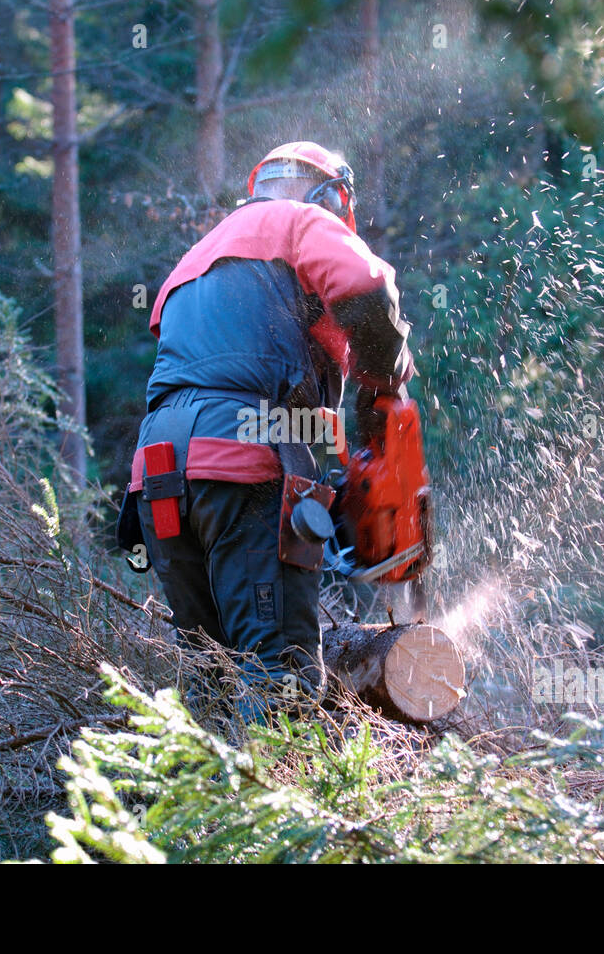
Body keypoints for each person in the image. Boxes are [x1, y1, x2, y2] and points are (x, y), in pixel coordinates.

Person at [119, 141, 415, 721]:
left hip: (158, 469)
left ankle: (201, 806)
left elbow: (197, 371)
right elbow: (366, 285)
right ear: (330, 197)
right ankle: (281, 804)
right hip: (243, 460)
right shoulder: (302, 222)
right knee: (279, 667)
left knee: (208, 670)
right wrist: (387, 378)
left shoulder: (198, 256)